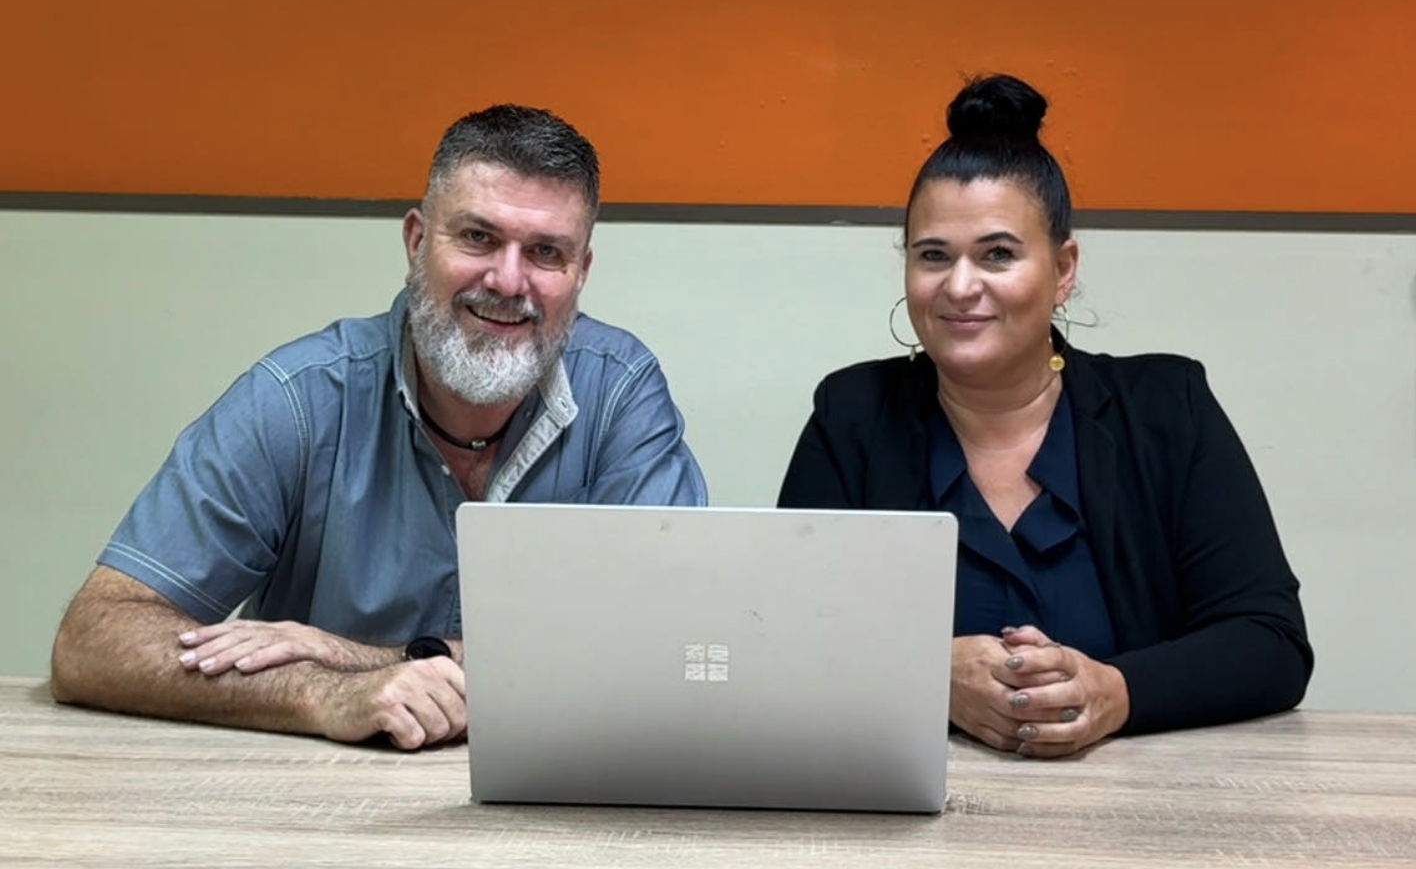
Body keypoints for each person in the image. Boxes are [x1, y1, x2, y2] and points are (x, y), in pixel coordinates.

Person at [51, 104, 707, 749]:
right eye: (477, 237)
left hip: (549, 804)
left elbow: (664, 650)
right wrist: (322, 694)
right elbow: (94, 641)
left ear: (581, 272)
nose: (510, 281)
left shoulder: (620, 394)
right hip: (309, 812)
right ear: (418, 242)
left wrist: (352, 656)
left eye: (545, 252)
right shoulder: (298, 399)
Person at [778, 75, 1312, 758]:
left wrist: (1115, 692)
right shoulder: (851, 417)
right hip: (919, 817)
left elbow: (1270, 643)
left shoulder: (1166, 408)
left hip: (1142, 819)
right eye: (932, 256)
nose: (960, 286)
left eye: (998, 254)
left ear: (1063, 270)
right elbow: (786, 634)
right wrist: (930, 674)